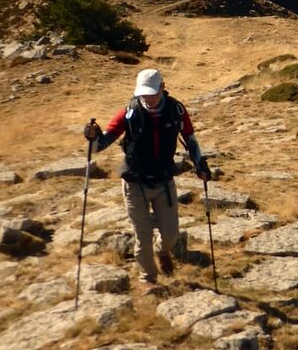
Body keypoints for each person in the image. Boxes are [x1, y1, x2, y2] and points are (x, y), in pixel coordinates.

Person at [84, 68, 210, 288]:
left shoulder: (176, 110)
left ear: (162, 88)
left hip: (164, 181)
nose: (148, 98)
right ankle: (148, 279)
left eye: (152, 93)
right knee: (142, 237)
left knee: (171, 235)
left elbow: (190, 138)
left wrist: (200, 163)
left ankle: (163, 251)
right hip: (135, 183)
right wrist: (92, 136)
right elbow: (98, 147)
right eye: (144, 94)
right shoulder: (129, 113)